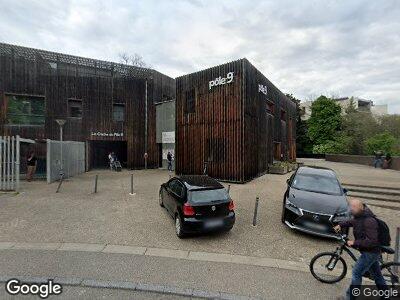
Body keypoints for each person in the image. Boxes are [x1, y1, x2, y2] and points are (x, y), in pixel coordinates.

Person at [334, 198, 387, 300]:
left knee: (356, 273)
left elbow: (372, 241)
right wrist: (340, 225)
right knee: (377, 276)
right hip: (370, 252)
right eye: (351, 206)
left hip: (370, 252)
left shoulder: (369, 221)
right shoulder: (360, 216)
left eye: (354, 207)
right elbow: (353, 222)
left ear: (361, 207)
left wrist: (354, 242)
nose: (351, 209)